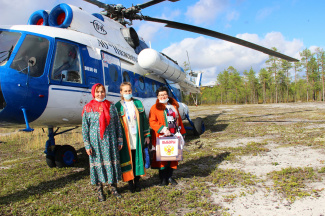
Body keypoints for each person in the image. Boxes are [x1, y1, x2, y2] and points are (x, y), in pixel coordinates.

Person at [82, 83, 123, 201]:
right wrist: (87, 145)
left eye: (102, 91)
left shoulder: (111, 106)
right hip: (96, 143)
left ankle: (113, 187)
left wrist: (119, 140)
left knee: (111, 163)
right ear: (93, 93)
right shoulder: (88, 108)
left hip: (110, 141)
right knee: (98, 165)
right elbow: (85, 128)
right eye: (97, 92)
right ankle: (100, 190)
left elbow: (117, 125)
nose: (100, 94)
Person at [115, 82, 151, 193]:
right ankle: (130, 183)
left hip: (137, 137)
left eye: (129, 91)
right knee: (127, 159)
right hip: (126, 138)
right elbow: (115, 124)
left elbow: (144, 120)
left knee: (137, 158)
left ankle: (137, 181)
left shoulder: (138, 103)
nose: (127, 93)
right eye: (125, 91)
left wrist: (147, 135)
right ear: (121, 92)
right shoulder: (117, 106)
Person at [149, 86, 186, 186]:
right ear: (157, 96)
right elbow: (152, 121)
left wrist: (182, 132)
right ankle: (162, 178)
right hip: (161, 137)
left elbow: (179, 121)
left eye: (164, 94)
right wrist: (162, 129)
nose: (163, 96)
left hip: (173, 135)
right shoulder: (154, 108)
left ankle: (169, 176)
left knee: (172, 156)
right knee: (162, 158)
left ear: (167, 95)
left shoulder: (173, 107)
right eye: (160, 95)